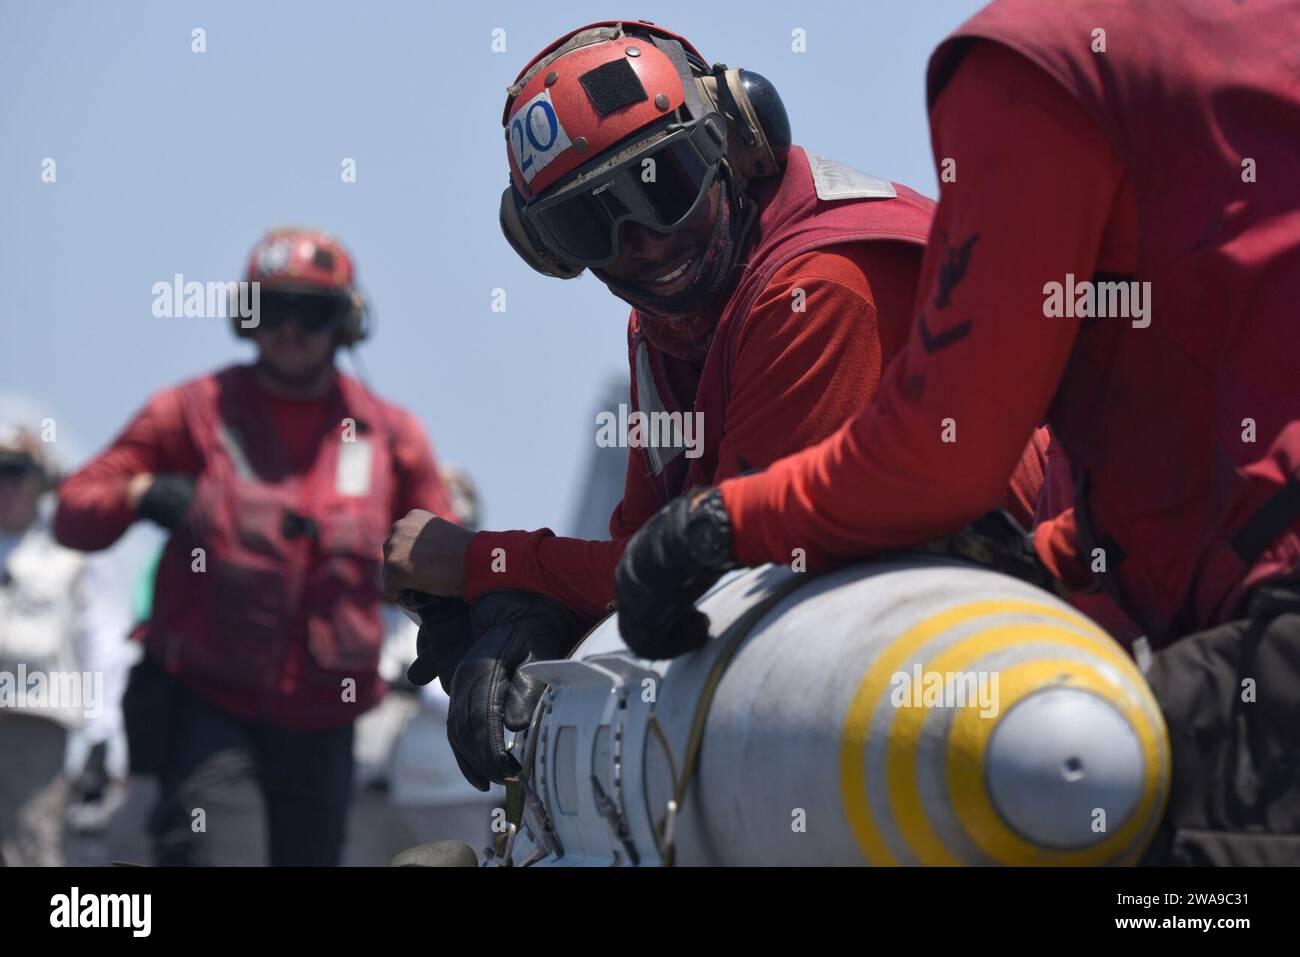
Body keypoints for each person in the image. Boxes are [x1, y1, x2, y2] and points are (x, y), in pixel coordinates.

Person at [614, 0, 1300, 865]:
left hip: (1276, 658)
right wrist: (1050, 556)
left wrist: (721, 524)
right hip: (1244, 612)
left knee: (1048, 792)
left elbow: (941, 458)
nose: (633, 247)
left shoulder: (1040, 62)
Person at [382, 19, 1055, 790]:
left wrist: (478, 561)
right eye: (589, 224)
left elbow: (730, 574)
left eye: (659, 184)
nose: (642, 242)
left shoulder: (822, 287)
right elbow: (643, 557)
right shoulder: (667, 327)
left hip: (998, 679)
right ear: (551, 251)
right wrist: (525, 605)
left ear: (735, 142)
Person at [54, 227, 454, 866]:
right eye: (272, 310)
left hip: (328, 723)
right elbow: (72, 513)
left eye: (312, 310)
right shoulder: (189, 413)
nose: (290, 329)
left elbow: (448, 560)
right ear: (246, 319)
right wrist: (139, 494)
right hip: (211, 711)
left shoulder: (391, 437)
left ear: (347, 323)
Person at [0, 421, 127, 865]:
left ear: (39, 481)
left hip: (38, 724)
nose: (3, 486)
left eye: (13, 472)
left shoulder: (73, 553)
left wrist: (101, 732)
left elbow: (102, 647)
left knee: (31, 843)